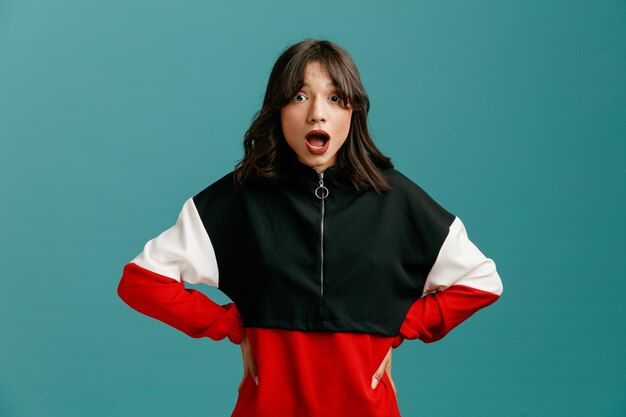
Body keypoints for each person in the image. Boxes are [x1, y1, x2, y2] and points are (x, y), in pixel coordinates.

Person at [117, 39, 503, 417]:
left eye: (335, 98)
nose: (317, 113)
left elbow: (482, 281)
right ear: (278, 109)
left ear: (353, 111)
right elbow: (140, 281)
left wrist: (400, 327)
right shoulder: (237, 200)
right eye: (299, 97)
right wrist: (228, 324)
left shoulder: (396, 200)